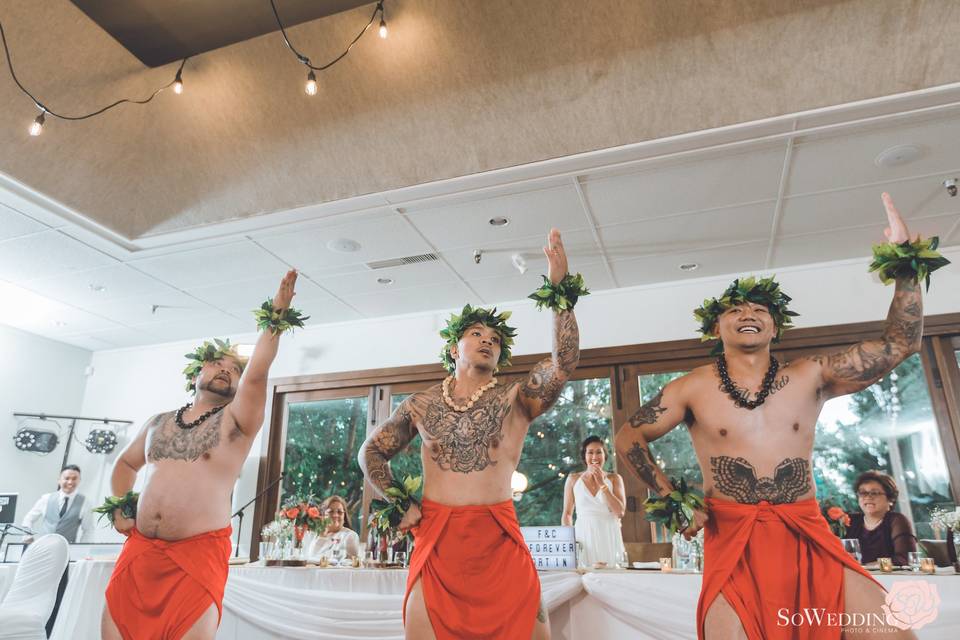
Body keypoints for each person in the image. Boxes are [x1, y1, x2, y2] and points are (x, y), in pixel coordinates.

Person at [615, 194, 944, 639]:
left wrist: (906, 268)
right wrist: (672, 499)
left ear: (775, 326)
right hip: (732, 537)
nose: (748, 314)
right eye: (735, 309)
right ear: (716, 327)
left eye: (760, 310)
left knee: (894, 632)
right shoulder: (692, 386)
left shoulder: (810, 375)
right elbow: (628, 436)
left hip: (806, 530)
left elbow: (897, 346)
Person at [359, 229, 582, 640]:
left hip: (499, 539)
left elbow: (563, 363)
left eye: (495, 339)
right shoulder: (421, 404)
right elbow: (371, 452)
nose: (487, 341)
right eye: (476, 334)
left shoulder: (516, 398)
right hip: (438, 541)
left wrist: (559, 289)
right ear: (453, 349)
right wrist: (400, 501)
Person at [100, 270, 302, 640]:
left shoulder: (238, 421)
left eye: (234, 368)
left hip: (197, 557)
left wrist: (276, 316)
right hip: (140, 551)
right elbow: (126, 464)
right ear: (196, 372)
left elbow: (258, 373)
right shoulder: (158, 422)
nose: (227, 368)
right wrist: (119, 505)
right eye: (217, 362)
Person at [561, 435, 626, 567]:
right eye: (590, 452)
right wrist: (569, 542)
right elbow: (567, 514)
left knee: (611, 574)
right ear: (584, 456)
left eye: (598, 452)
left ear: (604, 456)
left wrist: (602, 484)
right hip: (583, 535)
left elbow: (620, 512)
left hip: (608, 533)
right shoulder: (573, 479)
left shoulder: (614, 478)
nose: (594, 457)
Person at [847, 470, 917, 566]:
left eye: (874, 493)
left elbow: (905, 558)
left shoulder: (897, 520)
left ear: (890, 499)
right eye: (863, 493)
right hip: (854, 577)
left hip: (890, 579)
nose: (868, 497)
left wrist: (866, 567)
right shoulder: (850, 520)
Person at [21, 464, 93, 543]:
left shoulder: (85, 503)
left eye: (74, 479)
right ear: (59, 480)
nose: (70, 482)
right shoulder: (46, 498)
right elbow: (28, 519)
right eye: (67, 478)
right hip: (42, 548)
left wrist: (81, 550)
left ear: (79, 481)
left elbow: (88, 530)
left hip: (66, 550)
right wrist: (27, 537)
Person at [306, 495, 360, 561]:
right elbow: (310, 557)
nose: (335, 515)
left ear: (344, 516)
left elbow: (352, 563)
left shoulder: (350, 536)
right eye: (331, 511)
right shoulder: (315, 534)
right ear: (323, 514)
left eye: (339, 512)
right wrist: (322, 537)